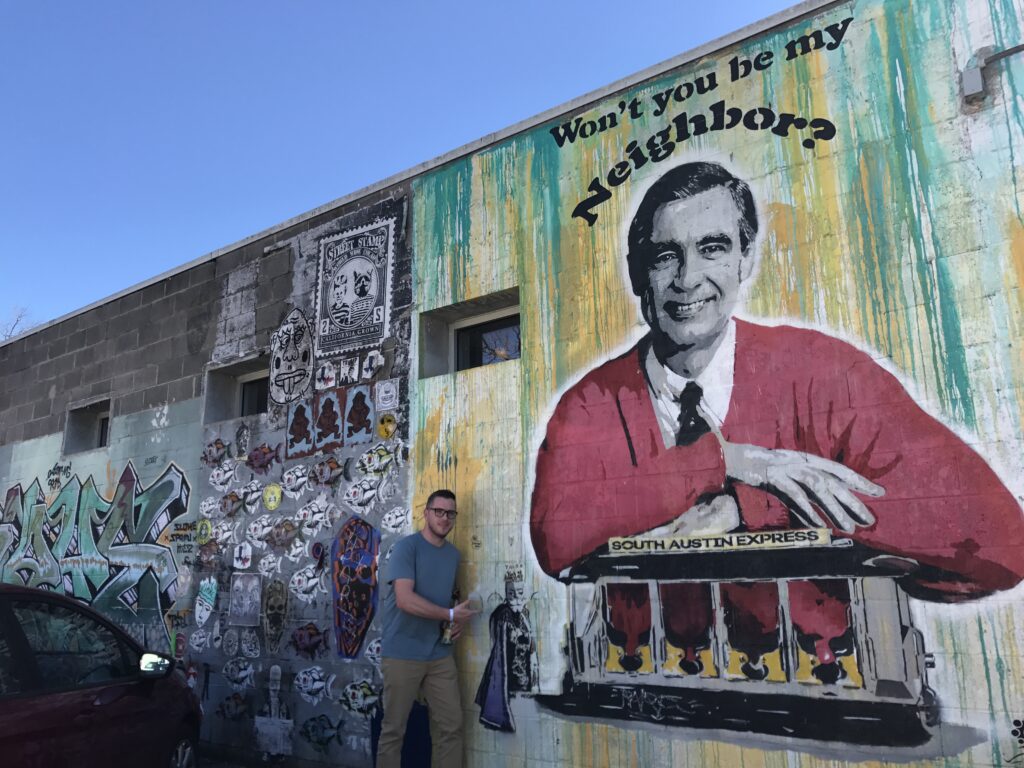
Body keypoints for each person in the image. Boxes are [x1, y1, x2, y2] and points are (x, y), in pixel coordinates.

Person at [529, 161, 1023, 680]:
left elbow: (996, 537)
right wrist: (722, 462)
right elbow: (556, 538)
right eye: (665, 256)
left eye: (713, 248)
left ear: (746, 259)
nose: (687, 278)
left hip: (828, 719)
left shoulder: (827, 373)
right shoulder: (589, 404)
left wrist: (745, 506)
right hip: (643, 714)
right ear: (638, 274)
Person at [377, 489, 476, 767]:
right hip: (401, 653)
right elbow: (405, 599)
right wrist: (449, 612)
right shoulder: (406, 548)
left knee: (451, 727)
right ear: (427, 513)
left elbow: (445, 598)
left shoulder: (453, 556)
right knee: (393, 730)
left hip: (438, 654)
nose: (445, 518)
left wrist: (452, 621)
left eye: (450, 513)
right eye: (439, 512)